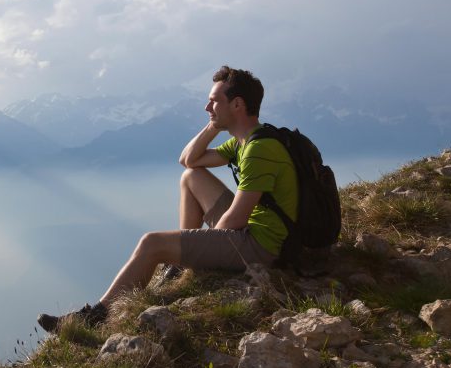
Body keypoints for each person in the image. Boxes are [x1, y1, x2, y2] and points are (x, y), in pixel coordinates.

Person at [37, 66, 298, 333]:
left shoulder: (259, 149)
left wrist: (202, 250)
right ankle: (176, 264)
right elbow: (189, 160)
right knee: (191, 177)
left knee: (151, 243)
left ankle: (94, 318)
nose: (207, 106)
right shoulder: (244, 142)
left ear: (238, 104)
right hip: (253, 229)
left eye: (214, 101)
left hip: (262, 247)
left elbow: (237, 218)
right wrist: (214, 124)